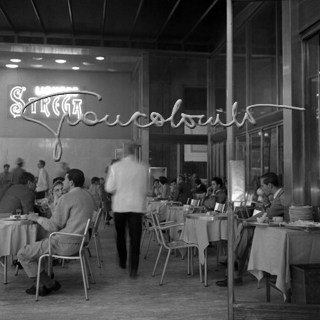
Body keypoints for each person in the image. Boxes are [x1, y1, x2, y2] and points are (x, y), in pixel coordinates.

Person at [17, 169, 95, 296]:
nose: (63, 182)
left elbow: (53, 226)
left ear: (71, 182)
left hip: (64, 243)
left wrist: (36, 218)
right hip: (80, 242)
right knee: (41, 245)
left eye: (65, 179)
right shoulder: (88, 195)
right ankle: (42, 285)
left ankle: (48, 283)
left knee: (23, 253)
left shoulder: (67, 198)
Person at [216, 172, 284, 287]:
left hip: (278, 233)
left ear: (270, 185)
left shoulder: (281, 197)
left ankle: (234, 263)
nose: (260, 188)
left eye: (262, 186)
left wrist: (246, 222)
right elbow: (266, 213)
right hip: (272, 229)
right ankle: (234, 265)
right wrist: (246, 221)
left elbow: (268, 214)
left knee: (245, 232)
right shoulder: (276, 196)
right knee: (245, 232)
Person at [105, 143, 148, 279]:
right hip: (136, 207)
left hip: (120, 206)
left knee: (120, 235)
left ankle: (123, 261)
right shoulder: (142, 168)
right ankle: (133, 269)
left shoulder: (115, 167)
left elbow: (109, 188)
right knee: (135, 239)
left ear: (124, 153)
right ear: (134, 152)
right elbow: (145, 189)